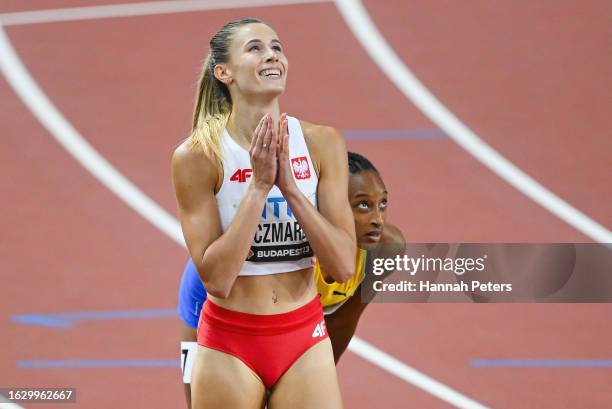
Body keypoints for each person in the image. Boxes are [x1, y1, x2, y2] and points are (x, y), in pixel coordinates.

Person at [171, 17, 356, 409]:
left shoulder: (323, 143)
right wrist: (258, 187)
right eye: (255, 48)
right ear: (224, 72)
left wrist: (289, 188)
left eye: (276, 47)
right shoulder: (198, 156)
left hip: (303, 336)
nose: (271, 54)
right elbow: (217, 280)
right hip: (230, 342)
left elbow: (341, 266)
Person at [178, 152, 406, 408]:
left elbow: (343, 321)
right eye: (363, 205)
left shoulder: (386, 248)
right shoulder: (291, 248)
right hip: (211, 300)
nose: (378, 219)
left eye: (383, 203)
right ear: (329, 205)